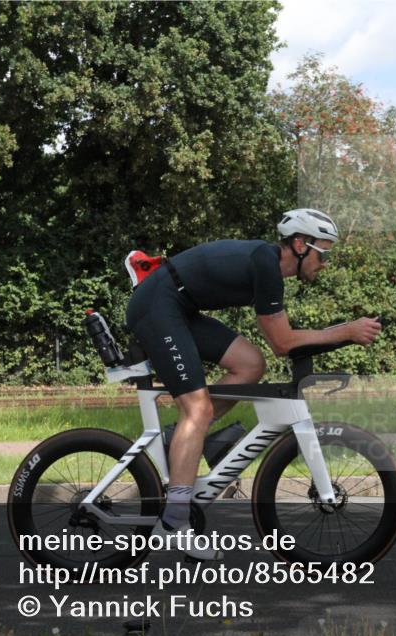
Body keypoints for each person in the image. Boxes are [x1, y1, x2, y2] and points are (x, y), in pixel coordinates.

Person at [124, 209, 382, 560]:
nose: (325, 263)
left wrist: (341, 334)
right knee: (196, 409)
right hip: (157, 305)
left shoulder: (269, 267)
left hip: (178, 307)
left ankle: (182, 438)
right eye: (323, 253)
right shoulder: (266, 264)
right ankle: (173, 523)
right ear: (299, 245)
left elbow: (277, 345)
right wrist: (346, 331)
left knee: (249, 364)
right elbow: (283, 342)